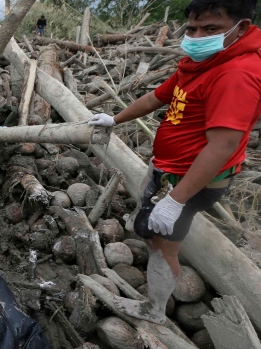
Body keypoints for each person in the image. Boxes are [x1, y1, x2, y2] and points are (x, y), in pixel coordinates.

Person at [88, 0, 261, 324]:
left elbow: (223, 146)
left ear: (241, 28)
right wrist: (115, 118)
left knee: (163, 243)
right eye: (193, 28)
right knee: (152, 225)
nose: (197, 36)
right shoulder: (201, 62)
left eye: (211, 29)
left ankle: (153, 308)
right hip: (173, 171)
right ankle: (158, 244)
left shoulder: (236, 74)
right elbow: (157, 97)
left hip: (196, 182)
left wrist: (176, 201)